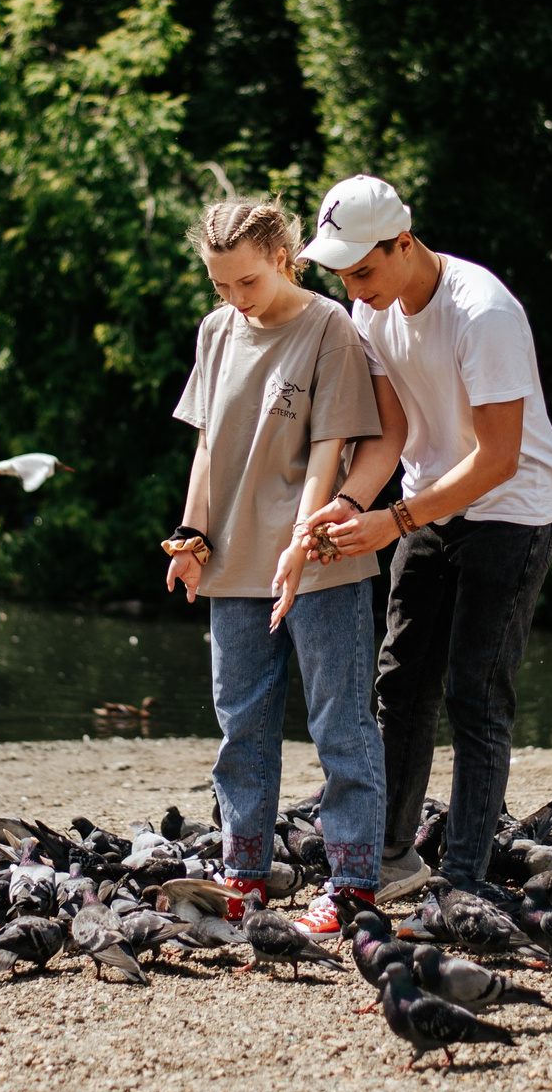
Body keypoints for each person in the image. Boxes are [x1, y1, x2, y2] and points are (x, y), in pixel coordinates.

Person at [296, 174, 552, 895]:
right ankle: (392, 856)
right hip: (429, 501)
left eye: (363, 270)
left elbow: (499, 457)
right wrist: (351, 503)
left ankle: (464, 884)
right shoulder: (371, 311)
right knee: (400, 681)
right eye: (341, 275)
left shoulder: (482, 311)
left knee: (475, 694)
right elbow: (391, 432)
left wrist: (393, 521)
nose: (353, 289)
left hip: (515, 507)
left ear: (404, 242)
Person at [165, 198, 400, 934]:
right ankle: (244, 874)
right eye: (221, 285)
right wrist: (191, 536)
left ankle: (353, 884)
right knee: (241, 727)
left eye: (248, 282)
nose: (236, 298)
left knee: (341, 725)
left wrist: (301, 540)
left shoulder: (329, 325)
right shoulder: (216, 331)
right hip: (235, 564)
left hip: (321, 562)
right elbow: (208, 446)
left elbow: (330, 450)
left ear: (281, 257)